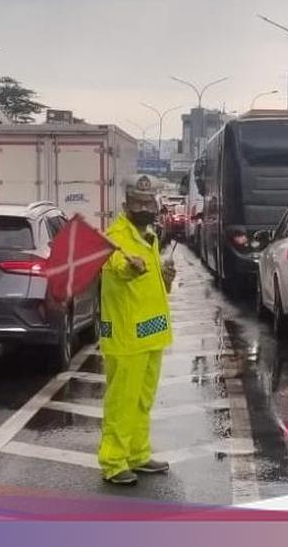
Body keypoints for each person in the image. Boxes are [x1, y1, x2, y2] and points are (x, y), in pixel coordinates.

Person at [97, 174, 177, 486]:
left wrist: (165, 279)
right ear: (126, 205)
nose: (144, 208)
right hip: (126, 335)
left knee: (143, 400)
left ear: (155, 205)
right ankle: (113, 461)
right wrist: (130, 267)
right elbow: (118, 267)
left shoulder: (149, 236)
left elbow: (150, 285)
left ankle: (137, 453)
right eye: (137, 203)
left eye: (148, 202)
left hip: (150, 333)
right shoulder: (116, 237)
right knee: (122, 401)